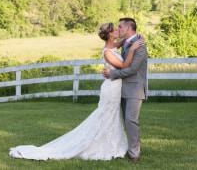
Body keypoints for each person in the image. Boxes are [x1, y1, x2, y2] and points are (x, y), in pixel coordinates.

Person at [9, 22, 144, 161]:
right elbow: (123, 65)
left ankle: (112, 144)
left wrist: (135, 38)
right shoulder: (108, 52)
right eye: (114, 29)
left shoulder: (112, 46)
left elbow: (122, 41)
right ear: (110, 34)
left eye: (118, 28)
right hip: (110, 88)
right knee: (105, 115)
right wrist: (133, 49)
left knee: (112, 116)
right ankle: (99, 146)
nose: (117, 30)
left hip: (115, 87)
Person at [102, 17, 148, 163]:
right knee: (122, 120)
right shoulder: (127, 44)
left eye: (120, 27)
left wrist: (112, 74)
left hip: (134, 89)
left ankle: (134, 153)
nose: (118, 29)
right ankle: (123, 147)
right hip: (120, 89)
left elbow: (133, 69)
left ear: (128, 28)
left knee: (131, 120)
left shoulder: (139, 46)